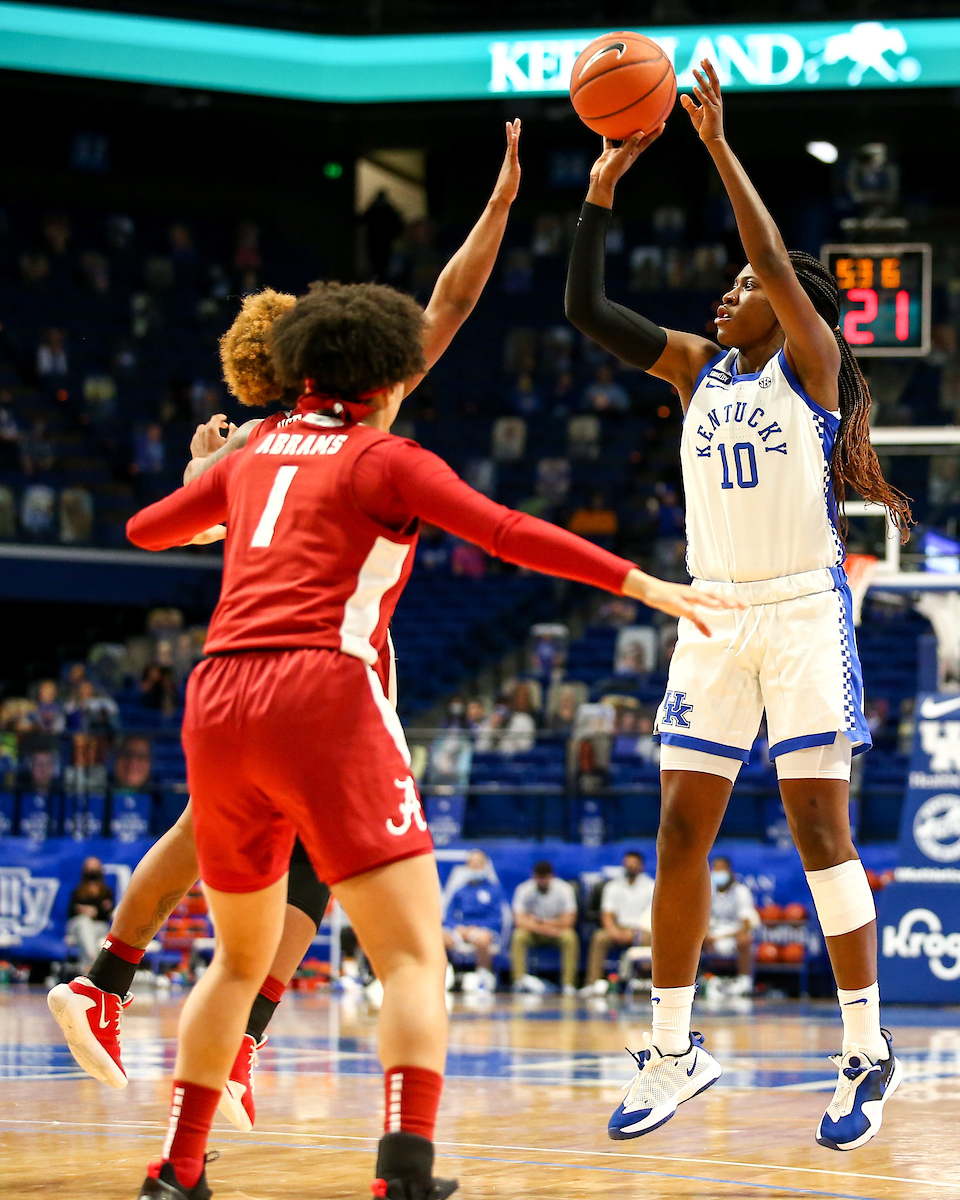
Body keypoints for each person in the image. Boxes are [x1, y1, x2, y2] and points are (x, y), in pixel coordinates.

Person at [124, 275, 732, 1200]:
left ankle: (177, 1169)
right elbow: (506, 530)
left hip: (216, 701)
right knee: (412, 957)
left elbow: (145, 530)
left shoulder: (251, 457)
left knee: (234, 962)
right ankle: (403, 1175)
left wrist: (212, 477)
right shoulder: (383, 459)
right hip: (320, 690)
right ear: (392, 377)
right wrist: (646, 586)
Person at [47, 121, 529, 1134]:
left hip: (240, 667)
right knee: (338, 893)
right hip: (318, 668)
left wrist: (194, 467)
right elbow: (450, 301)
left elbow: (174, 520)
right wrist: (498, 205)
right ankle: (130, 990)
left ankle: (168, 1014)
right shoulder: (357, 424)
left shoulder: (254, 444)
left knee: (241, 852)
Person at [565, 58, 911, 1151]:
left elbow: (773, 257)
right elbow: (585, 307)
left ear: (793, 303)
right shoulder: (696, 370)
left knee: (819, 826)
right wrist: (601, 188)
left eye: (746, 287)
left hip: (804, 611)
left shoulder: (809, 364)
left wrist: (715, 146)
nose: (728, 292)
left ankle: (866, 1051)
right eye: (728, 286)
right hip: (711, 613)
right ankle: (674, 1049)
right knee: (678, 830)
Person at [583, 851, 655, 991]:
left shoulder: (651, 886)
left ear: (641, 866)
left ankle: (646, 982)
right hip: (618, 927)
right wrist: (614, 931)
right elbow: (607, 914)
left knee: (651, 939)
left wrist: (635, 933)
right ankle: (592, 983)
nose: (630, 868)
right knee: (599, 937)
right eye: (628, 864)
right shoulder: (613, 886)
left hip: (642, 929)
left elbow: (652, 916)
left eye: (634, 865)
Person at [511, 861, 580, 995]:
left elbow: (569, 921)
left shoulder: (565, 889)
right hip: (534, 933)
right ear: (534, 876)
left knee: (570, 937)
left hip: (556, 932)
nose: (542, 882)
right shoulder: (523, 889)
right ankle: (519, 981)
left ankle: (568, 984)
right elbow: (519, 921)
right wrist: (545, 928)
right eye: (539, 878)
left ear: (551, 877)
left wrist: (540, 922)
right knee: (518, 936)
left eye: (545, 878)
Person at [442, 850, 505, 991]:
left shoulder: (494, 889)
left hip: (481, 930)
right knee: (440, 938)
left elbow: (498, 918)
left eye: (478, 864)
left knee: (483, 940)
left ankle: (482, 975)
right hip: (461, 930)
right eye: (471, 864)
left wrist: (477, 928)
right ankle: (445, 974)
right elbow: (449, 915)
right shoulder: (460, 890)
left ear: (484, 866)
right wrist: (457, 928)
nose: (475, 868)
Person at [703, 855, 759, 996]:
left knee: (745, 939)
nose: (717, 872)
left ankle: (744, 980)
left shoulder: (741, 891)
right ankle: (698, 980)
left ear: (729, 871)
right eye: (715, 868)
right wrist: (705, 935)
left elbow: (746, 924)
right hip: (710, 935)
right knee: (692, 939)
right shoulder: (705, 891)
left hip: (732, 936)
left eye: (721, 869)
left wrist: (720, 937)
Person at [65, 857, 115, 973]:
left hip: (98, 926)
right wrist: (83, 910)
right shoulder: (78, 890)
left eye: (95, 867)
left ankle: (86, 971)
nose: (92, 870)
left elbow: (108, 913)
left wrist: (95, 911)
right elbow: (70, 911)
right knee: (84, 923)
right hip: (78, 925)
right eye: (89, 867)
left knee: (89, 932)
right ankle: (93, 963)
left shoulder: (106, 891)